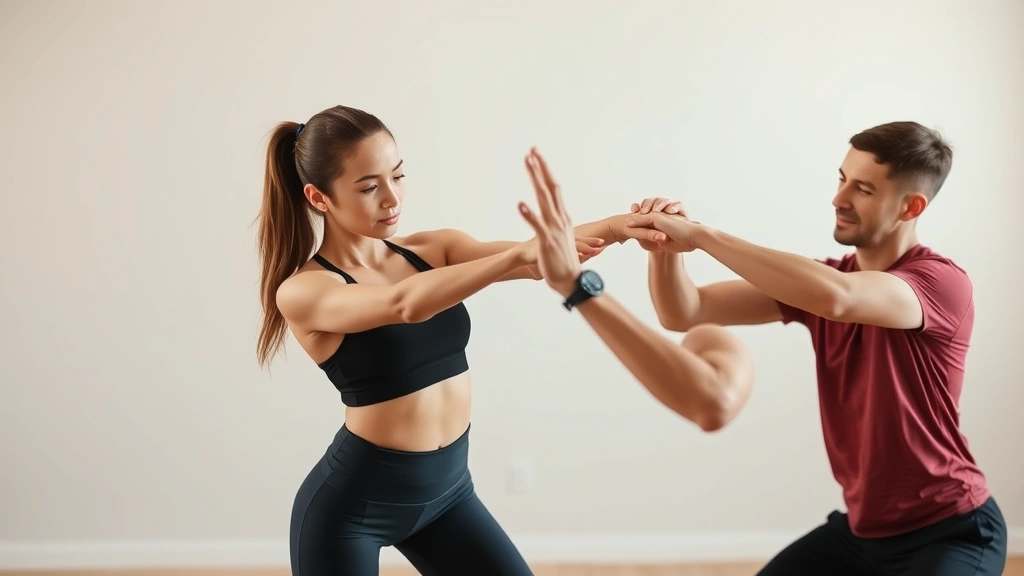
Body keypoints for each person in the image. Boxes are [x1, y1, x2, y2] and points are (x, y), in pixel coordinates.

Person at [256, 104, 650, 575]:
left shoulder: (432, 249)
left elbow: (535, 259)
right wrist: (514, 257)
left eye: (397, 176)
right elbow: (403, 304)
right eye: (368, 187)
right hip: (352, 509)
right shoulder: (305, 290)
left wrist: (619, 227)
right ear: (319, 198)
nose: (392, 199)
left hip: (448, 495)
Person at [618, 121, 1008, 575]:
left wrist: (701, 235)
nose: (838, 199)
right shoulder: (820, 282)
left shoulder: (940, 283)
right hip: (861, 535)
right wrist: (666, 249)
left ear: (910, 207)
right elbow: (685, 311)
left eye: (862, 189)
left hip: (950, 531)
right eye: (842, 179)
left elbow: (840, 300)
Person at [516, 148, 758, 434]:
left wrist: (576, 283)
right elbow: (683, 313)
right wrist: (662, 242)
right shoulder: (815, 282)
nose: (828, 200)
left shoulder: (823, 285)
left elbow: (715, 404)